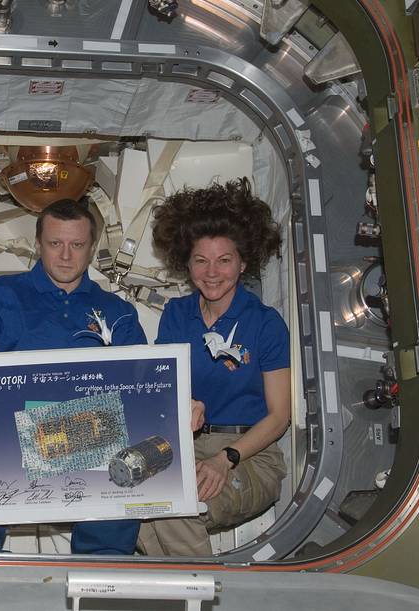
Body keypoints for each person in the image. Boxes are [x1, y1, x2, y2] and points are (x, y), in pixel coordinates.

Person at [0, 198, 203, 555]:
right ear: (37, 244)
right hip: (8, 444)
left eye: (76, 245)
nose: (65, 255)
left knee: (116, 514)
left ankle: (101, 580)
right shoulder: (1, 295)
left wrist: (182, 405)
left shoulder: (118, 311)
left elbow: (144, 386)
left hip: (97, 443)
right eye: (55, 243)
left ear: (91, 248)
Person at [136, 178, 290, 557]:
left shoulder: (265, 323)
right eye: (200, 260)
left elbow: (279, 417)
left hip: (248, 455)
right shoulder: (176, 314)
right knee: (128, 507)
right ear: (186, 264)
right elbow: (162, 390)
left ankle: (199, 585)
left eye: (224, 260)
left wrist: (226, 459)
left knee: (175, 502)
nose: (212, 272)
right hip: (184, 448)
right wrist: (182, 402)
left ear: (243, 263)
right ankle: (188, 585)